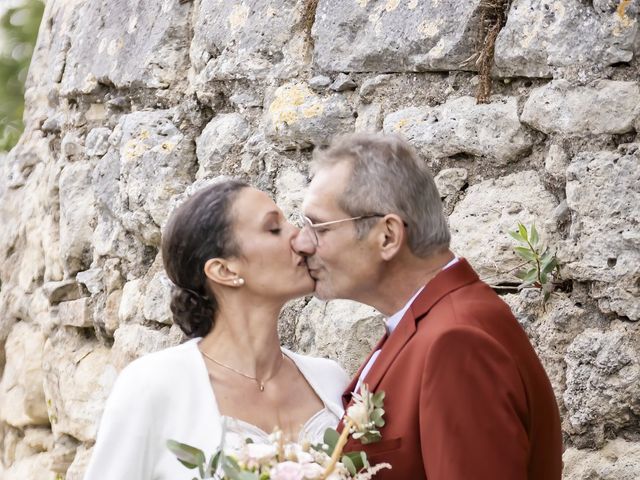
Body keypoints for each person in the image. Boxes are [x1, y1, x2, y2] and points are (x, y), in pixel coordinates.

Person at [292, 133, 563, 479]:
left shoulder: (457, 342)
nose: (302, 242)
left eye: (318, 227)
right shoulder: (434, 321)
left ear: (387, 236)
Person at [84, 180, 349, 480]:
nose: (301, 239)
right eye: (274, 228)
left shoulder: (331, 381)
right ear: (224, 271)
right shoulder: (152, 386)